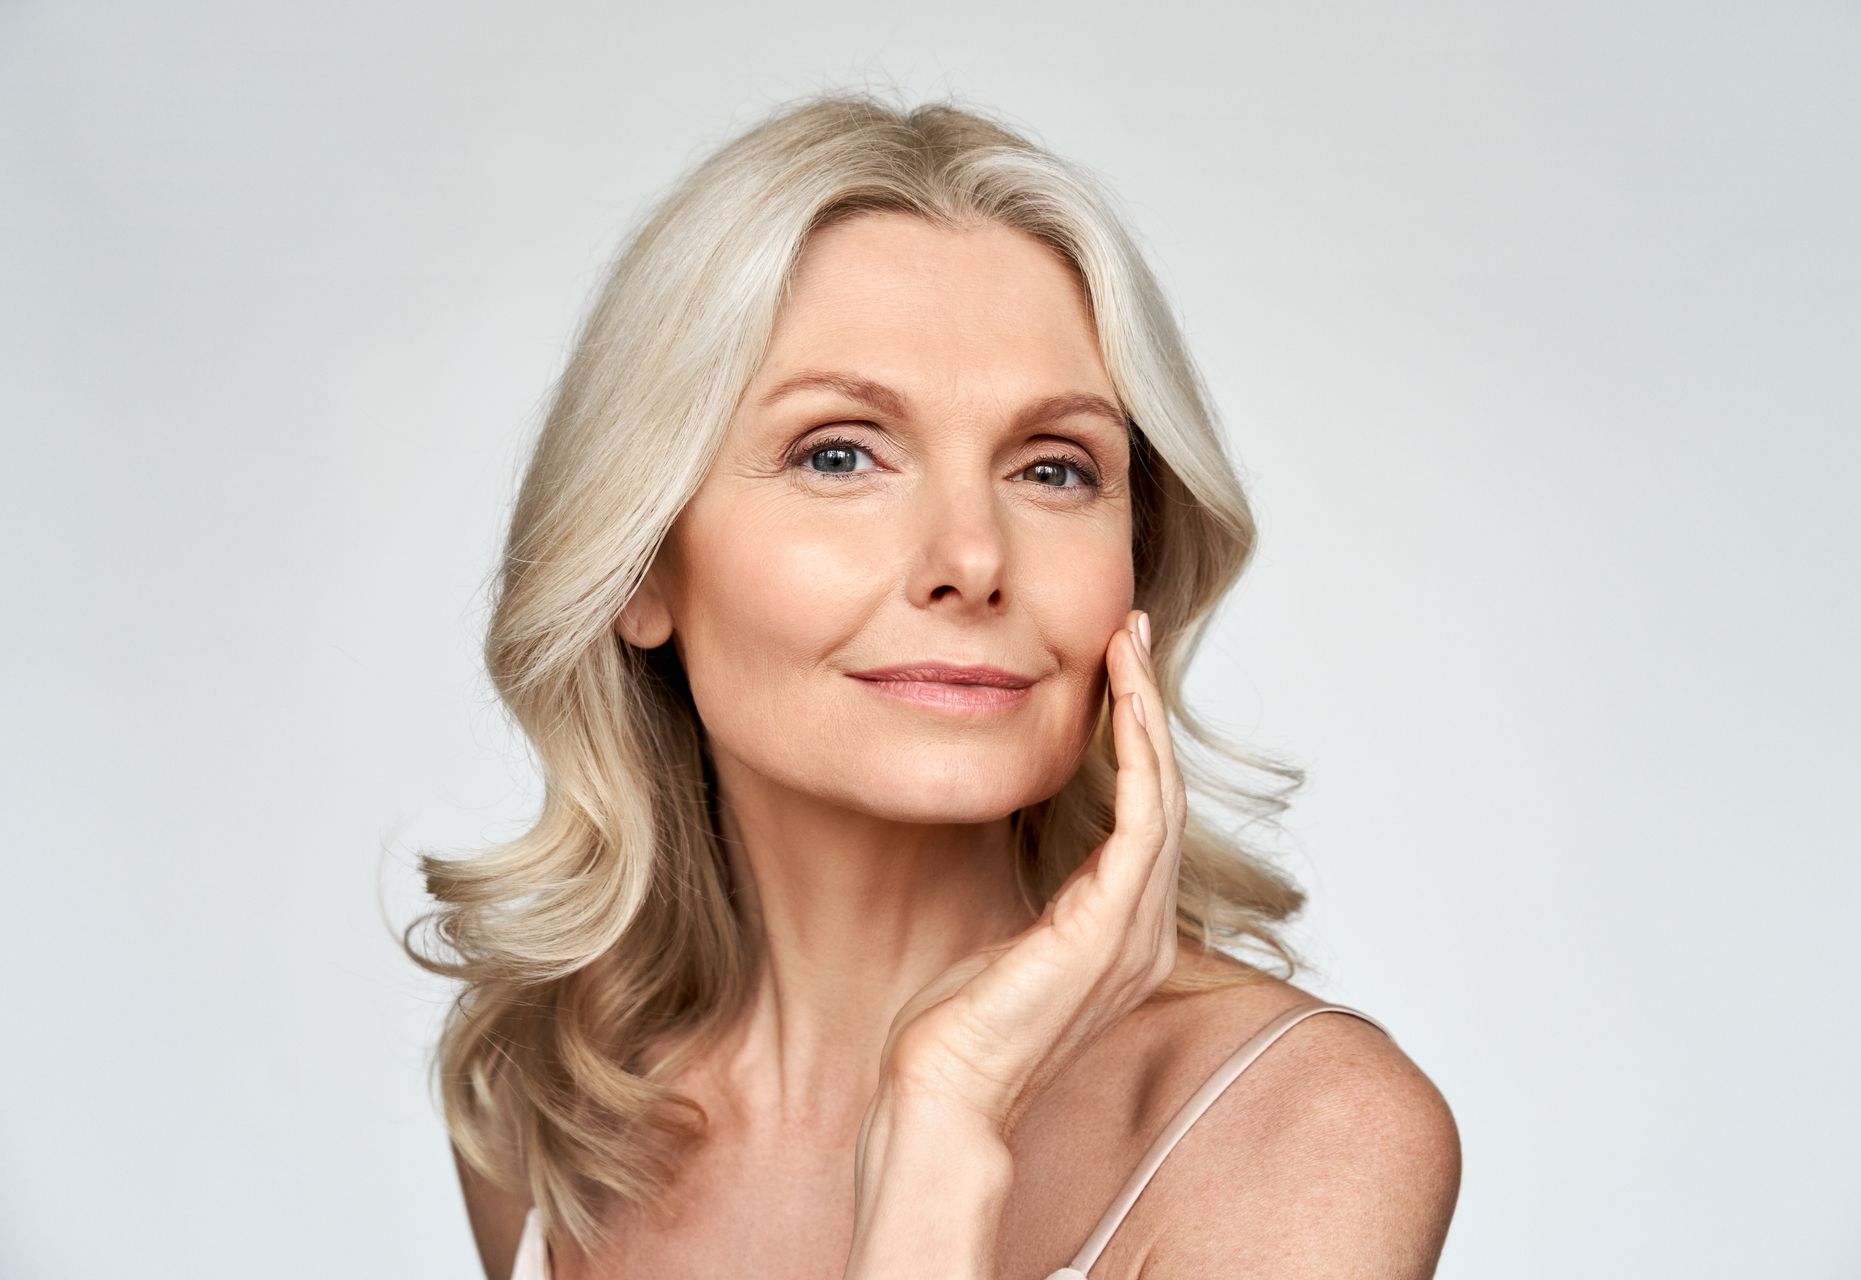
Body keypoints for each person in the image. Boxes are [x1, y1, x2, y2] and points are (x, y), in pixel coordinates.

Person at [404, 89, 1461, 1279]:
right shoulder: (542, 1102)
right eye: (840, 452)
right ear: (642, 560)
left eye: (1055, 468)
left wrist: (944, 1124)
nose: (971, 557)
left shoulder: (1300, 1130)